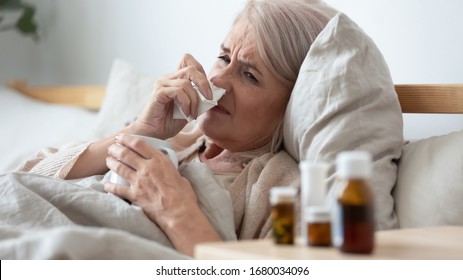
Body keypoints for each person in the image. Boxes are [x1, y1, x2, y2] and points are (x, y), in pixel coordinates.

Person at [17, 0, 337, 256]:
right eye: (224, 58)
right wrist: (141, 131)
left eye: (250, 76)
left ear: (292, 105)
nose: (217, 80)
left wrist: (175, 210)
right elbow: (25, 178)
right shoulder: (175, 139)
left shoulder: (283, 188)